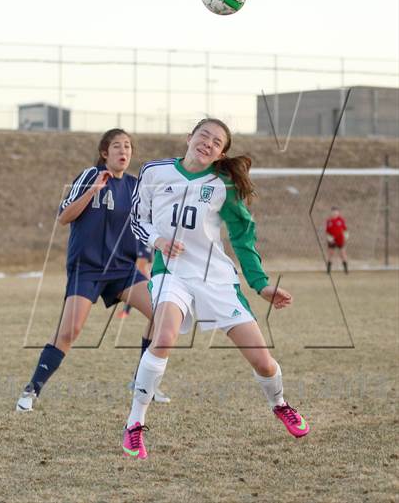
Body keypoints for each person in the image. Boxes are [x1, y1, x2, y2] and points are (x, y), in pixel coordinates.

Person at [122, 118, 309, 459]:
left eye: (216, 141)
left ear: (222, 152)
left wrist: (260, 284)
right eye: (203, 135)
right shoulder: (154, 172)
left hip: (216, 279)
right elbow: (137, 219)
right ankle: (134, 424)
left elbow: (242, 236)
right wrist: (157, 240)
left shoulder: (224, 184)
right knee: (164, 336)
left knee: (264, 363)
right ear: (189, 137)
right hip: (171, 273)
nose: (207, 143)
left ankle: (280, 404)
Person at [16, 128, 170, 412]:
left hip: (122, 269)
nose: (123, 151)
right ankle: (31, 390)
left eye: (127, 146)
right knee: (69, 331)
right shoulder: (90, 175)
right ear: (104, 153)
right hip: (87, 268)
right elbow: (64, 217)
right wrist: (93, 191)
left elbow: (146, 226)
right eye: (116, 146)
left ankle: (142, 381)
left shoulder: (136, 186)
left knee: (163, 313)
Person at [326, 206, 349, 274]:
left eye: (336, 212)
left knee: (343, 254)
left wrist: (346, 237)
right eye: (333, 212)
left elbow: (345, 230)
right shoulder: (329, 221)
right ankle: (328, 270)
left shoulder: (341, 220)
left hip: (340, 240)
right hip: (332, 240)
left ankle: (346, 269)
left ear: (338, 213)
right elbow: (327, 231)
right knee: (330, 254)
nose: (335, 213)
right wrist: (330, 238)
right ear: (331, 213)